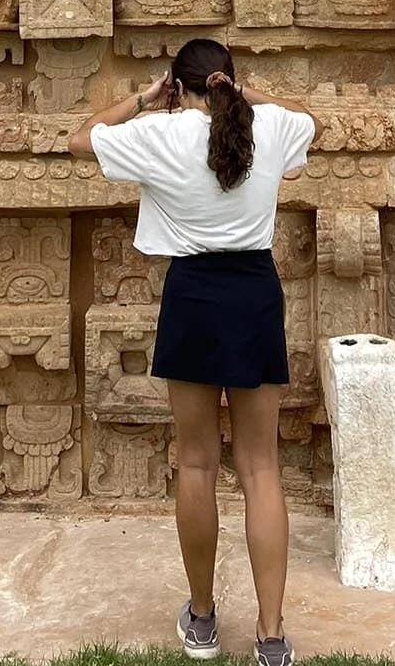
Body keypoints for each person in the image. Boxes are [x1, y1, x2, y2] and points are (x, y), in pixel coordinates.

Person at [67, 36, 318, 666]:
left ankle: (202, 618)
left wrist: (143, 99)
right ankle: (270, 635)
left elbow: (80, 138)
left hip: (194, 294)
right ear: (228, 80)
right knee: (261, 468)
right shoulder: (269, 128)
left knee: (198, 464)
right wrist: (244, 91)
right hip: (254, 292)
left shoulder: (161, 133)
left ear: (178, 88)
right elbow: (309, 115)